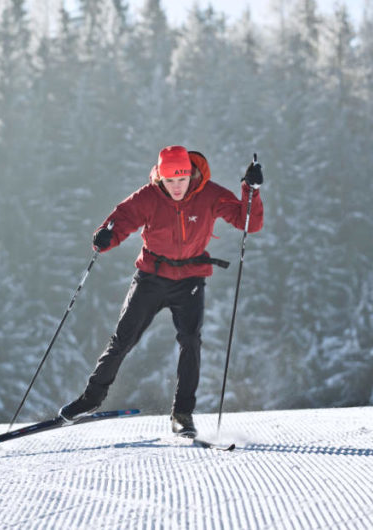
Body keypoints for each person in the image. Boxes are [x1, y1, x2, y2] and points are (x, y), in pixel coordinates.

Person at [59, 145, 264, 437]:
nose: (177, 187)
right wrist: (105, 237)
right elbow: (121, 220)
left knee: (190, 342)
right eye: (170, 181)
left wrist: (249, 190)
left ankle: (182, 415)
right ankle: (89, 400)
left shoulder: (209, 194)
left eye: (181, 180)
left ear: (191, 174)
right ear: (160, 178)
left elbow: (249, 222)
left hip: (190, 279)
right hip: (151, 278)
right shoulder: (148, 197)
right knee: (123, 339)